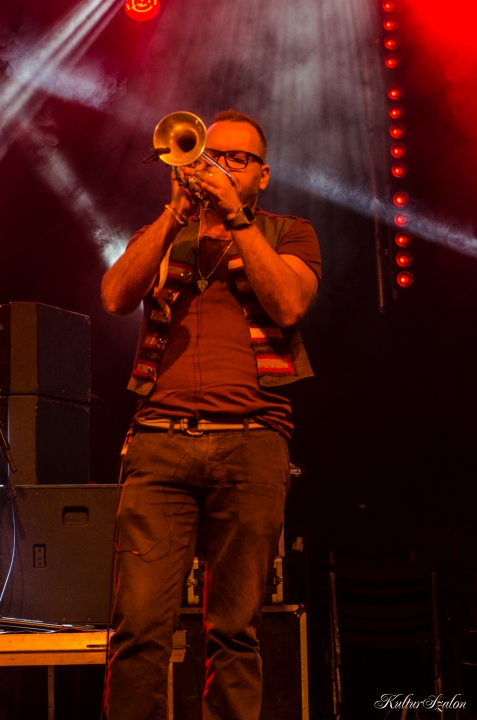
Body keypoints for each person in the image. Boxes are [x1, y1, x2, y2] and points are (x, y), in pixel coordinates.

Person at [101, 109, 321, 720]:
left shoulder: (288, 232)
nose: (219, 167)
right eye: (210, 156)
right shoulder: (164, 230)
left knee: (235, 631)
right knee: (137, 629)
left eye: (236, 159)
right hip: (158, 443)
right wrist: (175, 212)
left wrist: (236, 218)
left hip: (252, 445)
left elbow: (288, 305)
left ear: (262, 174)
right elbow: (115, 296)